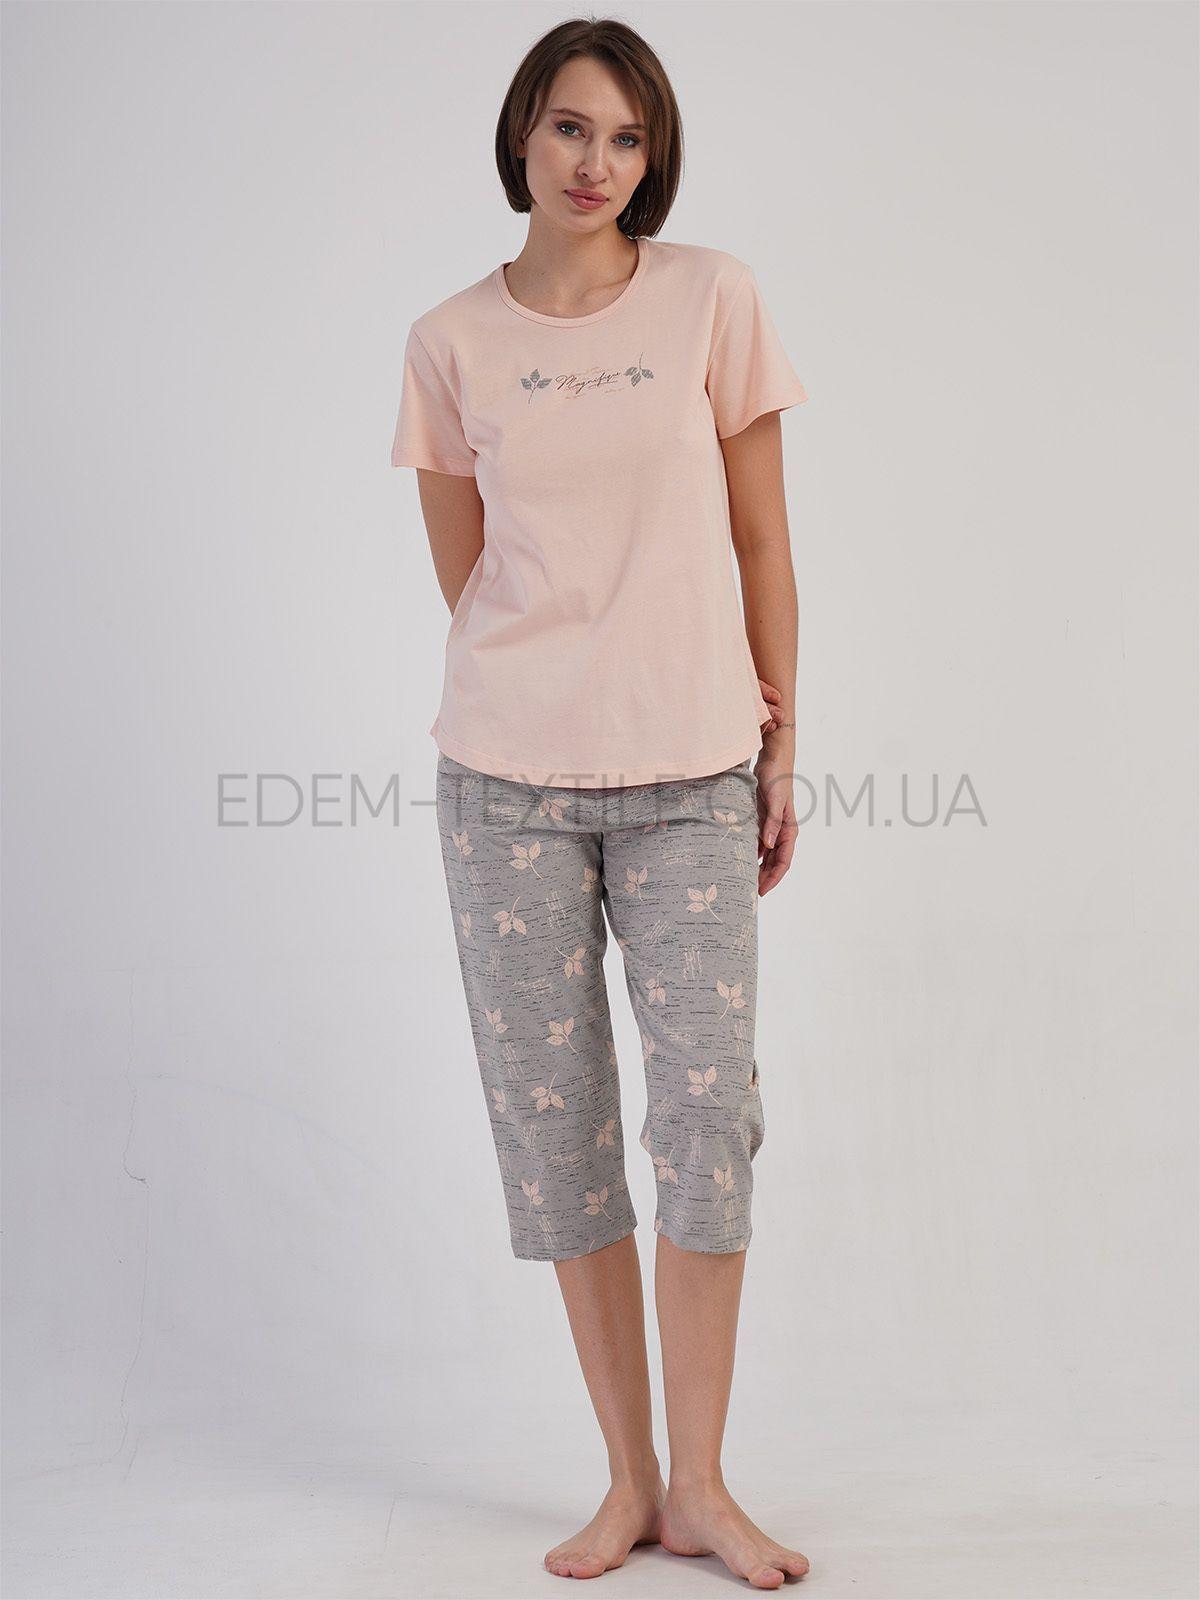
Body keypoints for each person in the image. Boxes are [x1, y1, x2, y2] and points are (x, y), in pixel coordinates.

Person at [390, 16, 810, 1590]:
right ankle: (630, 1482)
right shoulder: (449, 340)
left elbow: (763, 541)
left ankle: (702, 1482)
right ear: (523, 134)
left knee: (706, 1118)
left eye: (628, 139)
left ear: (655, 157)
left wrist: (777, 739)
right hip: (505, 789)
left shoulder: (713, 298)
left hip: (693, 767)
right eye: (572, 128)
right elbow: (471, 575)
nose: (597, 164)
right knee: (555, 1128)